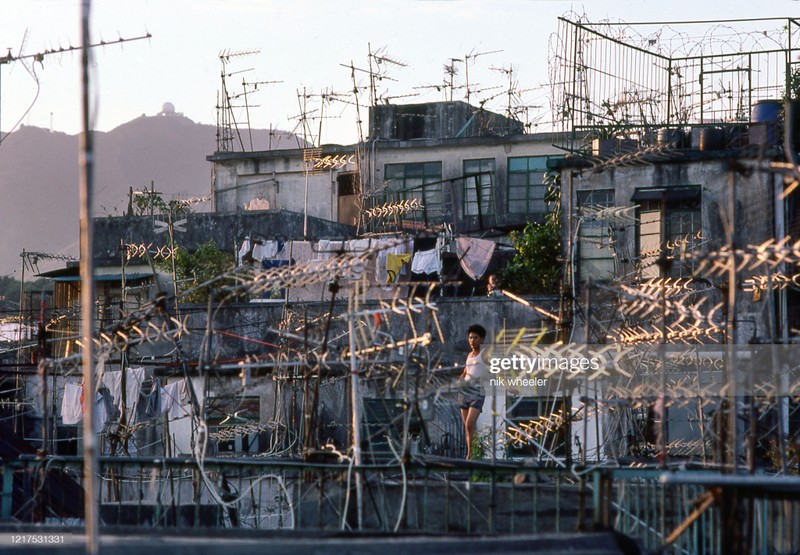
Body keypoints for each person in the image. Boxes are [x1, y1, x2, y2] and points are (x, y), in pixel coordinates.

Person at [459, 324, 489, 459]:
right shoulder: (469, 355)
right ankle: (475, 452)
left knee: (470, 423)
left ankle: (469, 455)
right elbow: (466, 371)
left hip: (478, 392)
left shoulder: (486, 354)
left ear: (482, 339)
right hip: (464, 392)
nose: (472, 340)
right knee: (468, 427)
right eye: (470, 337)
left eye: (475, 337)